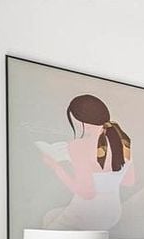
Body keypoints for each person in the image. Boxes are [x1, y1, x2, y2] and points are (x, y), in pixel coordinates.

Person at [39, 94, 136, 230]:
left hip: (86, 213)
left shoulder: (78, 146)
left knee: (48, 232)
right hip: (113, 213)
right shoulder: (123, 141)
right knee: (49, 216)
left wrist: (56, 167)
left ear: (83, 122)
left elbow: (86, 193)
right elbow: (129, 181)